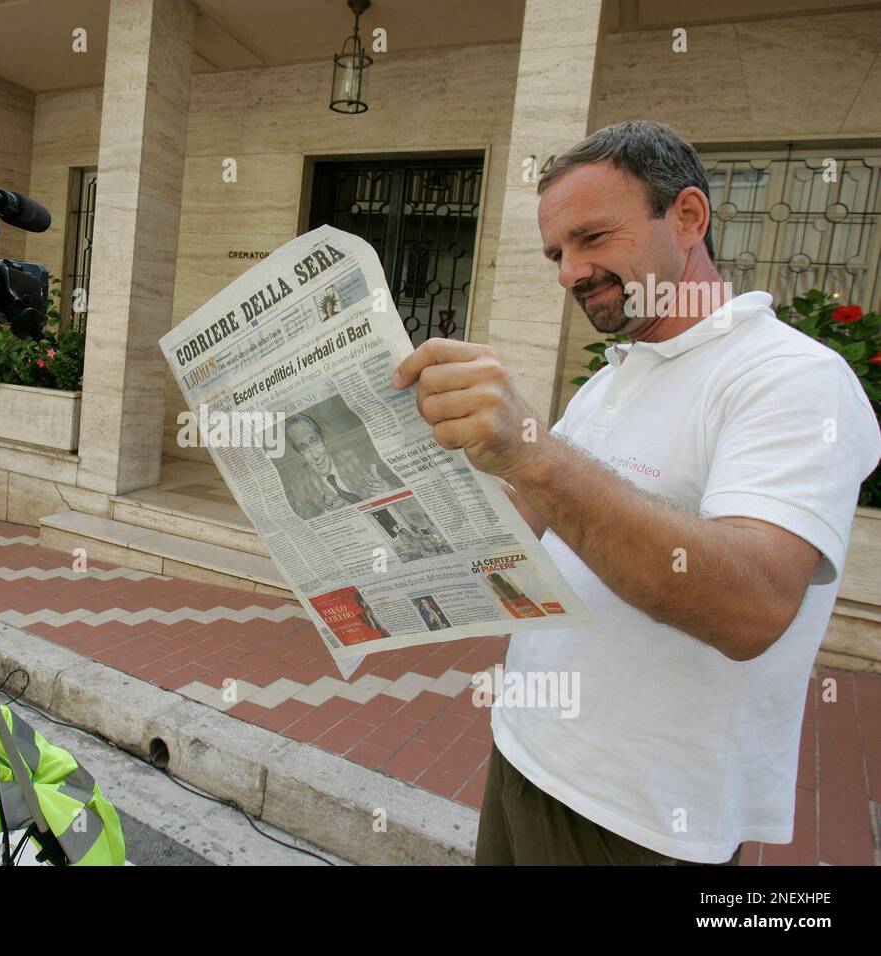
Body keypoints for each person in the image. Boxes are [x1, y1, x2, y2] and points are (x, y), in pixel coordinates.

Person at [392, 120, 881, 865]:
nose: (569, 272)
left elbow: (752, 606)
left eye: (592, 238)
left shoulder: (792, 378)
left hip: (648, 818)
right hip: (526, 756)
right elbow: (522, 532)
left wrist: (536, 452)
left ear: (687, 217)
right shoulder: (614, 378)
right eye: (558, 252)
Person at [281, 413, 401, 518]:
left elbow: (396, 490)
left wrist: (390, 490)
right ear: (298, 454)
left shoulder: (353, 456)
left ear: (323, 439)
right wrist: (329, 515)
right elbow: (307, 527)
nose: (315, 455)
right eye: (304, 448)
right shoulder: (299, 487)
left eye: (314, 441)